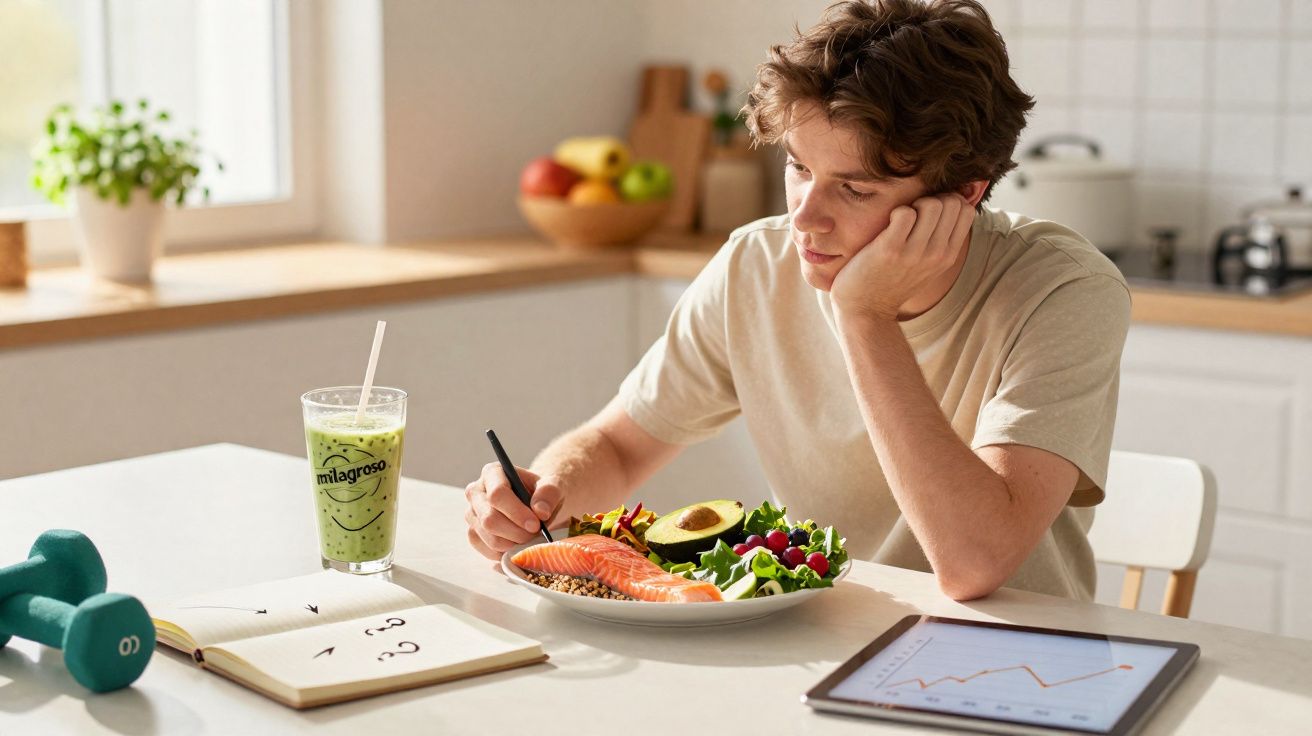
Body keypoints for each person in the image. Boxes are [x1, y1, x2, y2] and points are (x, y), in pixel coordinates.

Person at [463, 0, 1130, 602]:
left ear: (962, 195)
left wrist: (864, 315)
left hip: (1014, 655)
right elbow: (616, 447)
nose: (805, 218)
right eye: (799, 168)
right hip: (820, 637)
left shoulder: (1065, 290)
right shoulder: (757, 263)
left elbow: (973, 564)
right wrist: (540, 498)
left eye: (855, 189)